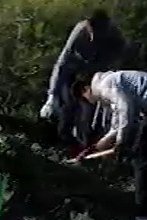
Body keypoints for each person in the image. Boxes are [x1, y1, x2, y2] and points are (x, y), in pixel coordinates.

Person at [70, 70, 147, 220]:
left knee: (141, 161)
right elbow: (117, 125)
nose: (90, 103)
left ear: (86, 89)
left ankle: (142, 215)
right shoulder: (112, 83)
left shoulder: (107, 85)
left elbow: (126, 112)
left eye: (85, 99)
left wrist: (121, 143)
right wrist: (94, 148)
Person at [40, 10, 126, 154]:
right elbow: (62, 63)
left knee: (87, 118)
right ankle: (63, 148)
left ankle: (86, 151)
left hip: (96, 78)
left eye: (97, 34)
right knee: (66, 110)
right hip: (74, 72)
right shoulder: (80, 31)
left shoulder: (115, 38)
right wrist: (52, 95)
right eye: (91, 32)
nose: (93, 37)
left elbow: (114, 67)